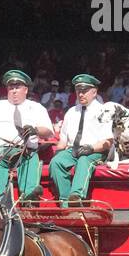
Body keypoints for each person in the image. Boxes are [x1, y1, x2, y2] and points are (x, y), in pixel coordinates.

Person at [0, 69, 52, 200]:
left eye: (17, 87)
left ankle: (30, 196)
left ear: (26, 90)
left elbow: (48, 132)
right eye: (11, 88)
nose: (14, 91)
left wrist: (35, 130)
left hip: (25, 153)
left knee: (31, 158)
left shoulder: (36, 107)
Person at [50, 74, 113, 205]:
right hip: (74, 149)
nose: (81, 94)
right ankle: (65, 202)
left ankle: (76, 196)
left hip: (96, 150)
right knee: (56, 162)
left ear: (94, 92)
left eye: (84, 91)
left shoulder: (103, 111)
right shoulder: (71, 112)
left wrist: (91, 148)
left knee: (84, 160)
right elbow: (63, 140)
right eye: (78, 91)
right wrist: (58, 153)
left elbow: (108, 142)